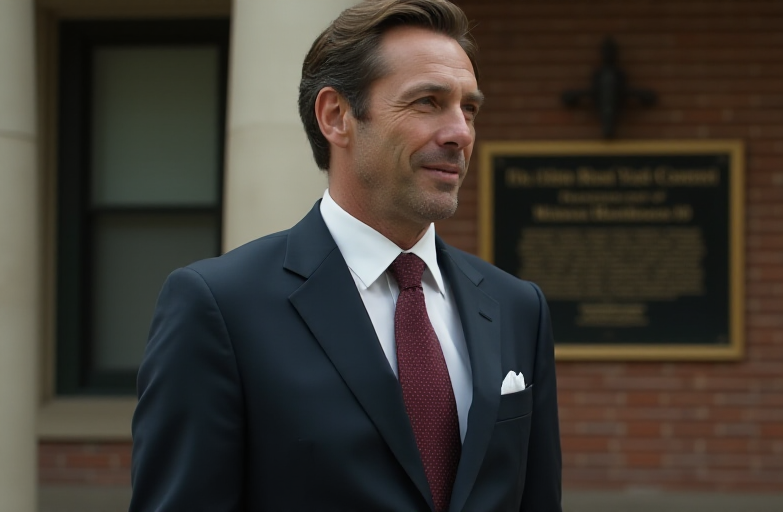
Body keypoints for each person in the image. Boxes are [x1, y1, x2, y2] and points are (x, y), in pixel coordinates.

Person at [128, 0, 562, 510]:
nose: (460, 133)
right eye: (427, 102)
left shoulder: (518, 308)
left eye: (468, 108)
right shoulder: (219, 307)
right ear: (337, 116)